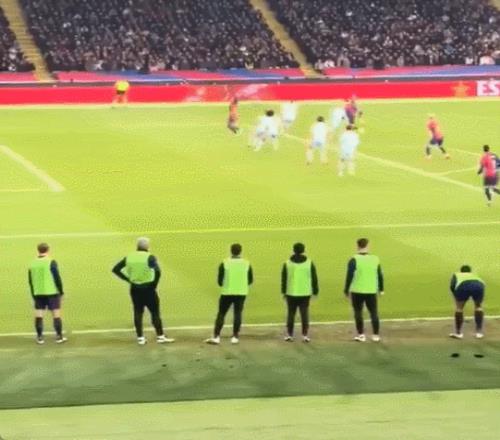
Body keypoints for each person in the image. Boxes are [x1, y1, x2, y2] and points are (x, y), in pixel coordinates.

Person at [112, 237, 174, 345]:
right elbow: (158, 271)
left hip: (135, 288)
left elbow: (116, 269)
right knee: (154, 312)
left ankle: (140, 338)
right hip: (149, 288)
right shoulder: (149, 257)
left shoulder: (129, 257)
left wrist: (128, 279)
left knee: (138, 312)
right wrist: (154, 284)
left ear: (137, 246)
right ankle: (160, 336)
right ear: (147, 247)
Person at [205, 243, 253, 345]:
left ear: (231, 251)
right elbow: (250, 280)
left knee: (221, 313)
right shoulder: (246, 263)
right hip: (241, 292)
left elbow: (220, 280)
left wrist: (225, 285)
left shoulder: (225, 263)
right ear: (240, 251)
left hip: (227, 292)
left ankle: (216, 337)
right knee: (237, 313)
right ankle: (235, 337)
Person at [344, 238, 384, 342]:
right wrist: (381, 289)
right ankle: (376, 335)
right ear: (368, 246)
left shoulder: (354, 259)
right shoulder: (375, 259)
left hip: (357, 290)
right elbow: (380, 275)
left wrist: (346, 289)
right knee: (374, 312)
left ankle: (361, 335)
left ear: (357, 246)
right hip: (371, 290)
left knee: (358, 312)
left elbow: (349, 276)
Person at [28, 243, 67, 344]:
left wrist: (33, 294)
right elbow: (57, 277)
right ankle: (59, 337)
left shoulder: (32, 263)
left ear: (38, 250)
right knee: (56, 314)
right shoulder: (51, 262)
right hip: (51, 291)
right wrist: (61, 291)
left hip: (38, 292)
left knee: (39, 315)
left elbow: (30, 281)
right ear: (48, 250)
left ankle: (40, 337)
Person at [281, 243, 319, 342]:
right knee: (304, 314)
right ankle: (305, 335)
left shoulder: (287, 263)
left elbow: (284, 279)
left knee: (291, 314)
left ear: (293, 250)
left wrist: (283, 291)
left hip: (291, 292)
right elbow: (314, 278)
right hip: (305, 293)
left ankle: (289, 335)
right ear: (303, 250)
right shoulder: (309, 263)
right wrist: (315, 291)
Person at [449, 265, 485, 339]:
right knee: (478, 307)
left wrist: (456, 296)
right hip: (479, 286)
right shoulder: (474, 275)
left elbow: (452, 286)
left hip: (463, 286)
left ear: (461, 271)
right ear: (470, 271)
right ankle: (479, 333)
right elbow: (482, 284)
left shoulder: (457, 274)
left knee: (459, 308)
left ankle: (458, 333)